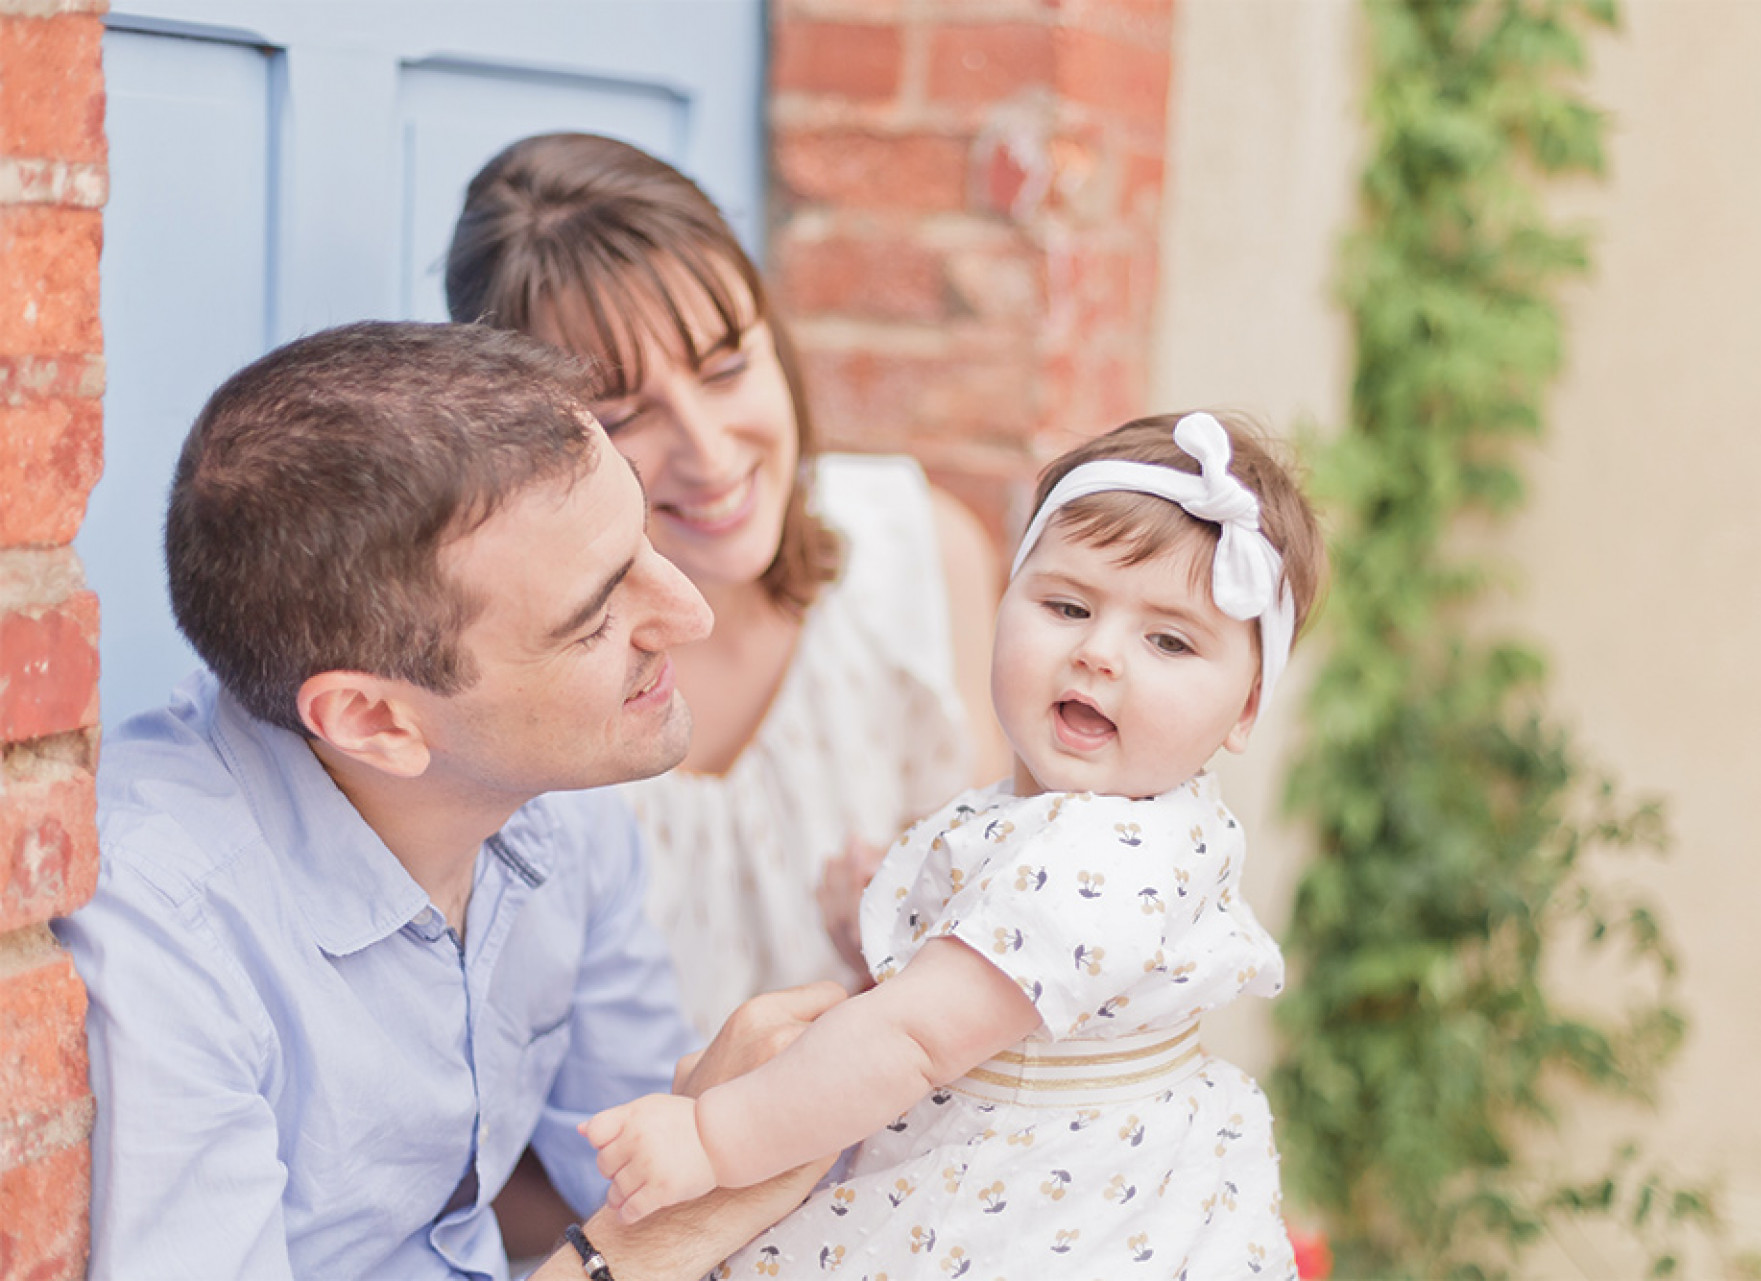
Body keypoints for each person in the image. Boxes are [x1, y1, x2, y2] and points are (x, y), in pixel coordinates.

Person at [51, 321, 842, 1280]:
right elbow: (657, 1227)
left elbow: (644, 1159)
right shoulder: (161, 934)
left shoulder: (555, 798)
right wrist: (647, 1239)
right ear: (374, 720)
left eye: (641, 538)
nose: (688, 612)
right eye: (596, 615)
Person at [583, 410, 1326, 1278]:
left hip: (1026, 1212)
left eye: (1168, 639)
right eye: (1066, 604)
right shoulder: (1124, 819)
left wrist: (713, 1136)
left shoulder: (1097, 853)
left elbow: (914, 1039)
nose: (1099, 653)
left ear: (1246, 706)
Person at [444, 133, 1003, 1038]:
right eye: (623, 414)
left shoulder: (922, 557)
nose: (709, 453)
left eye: (728, 367)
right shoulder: (508, 687)